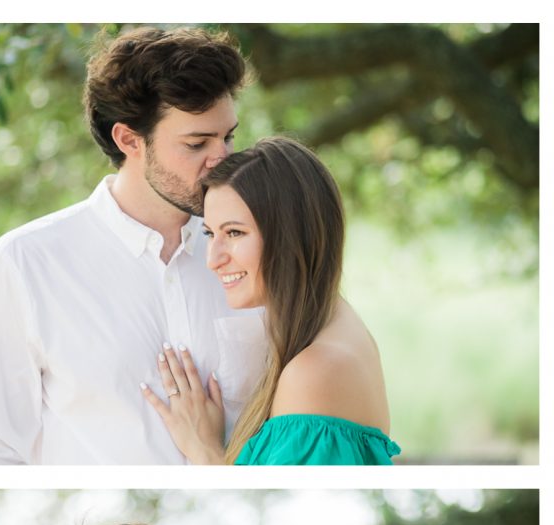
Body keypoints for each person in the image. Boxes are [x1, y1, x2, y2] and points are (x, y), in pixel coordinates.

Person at [0, 27, 268, 465]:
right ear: (129, 140)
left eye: (228, 136)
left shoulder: (259, 248)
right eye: (197, 143)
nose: (223, 158)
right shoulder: (26, 263)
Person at [139, 137, 402, 464]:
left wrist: (205, 451)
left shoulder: (315, 372)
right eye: (210, 234)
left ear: (291, 232)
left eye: (234, 233)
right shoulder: (335, 325)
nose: (213, 259)